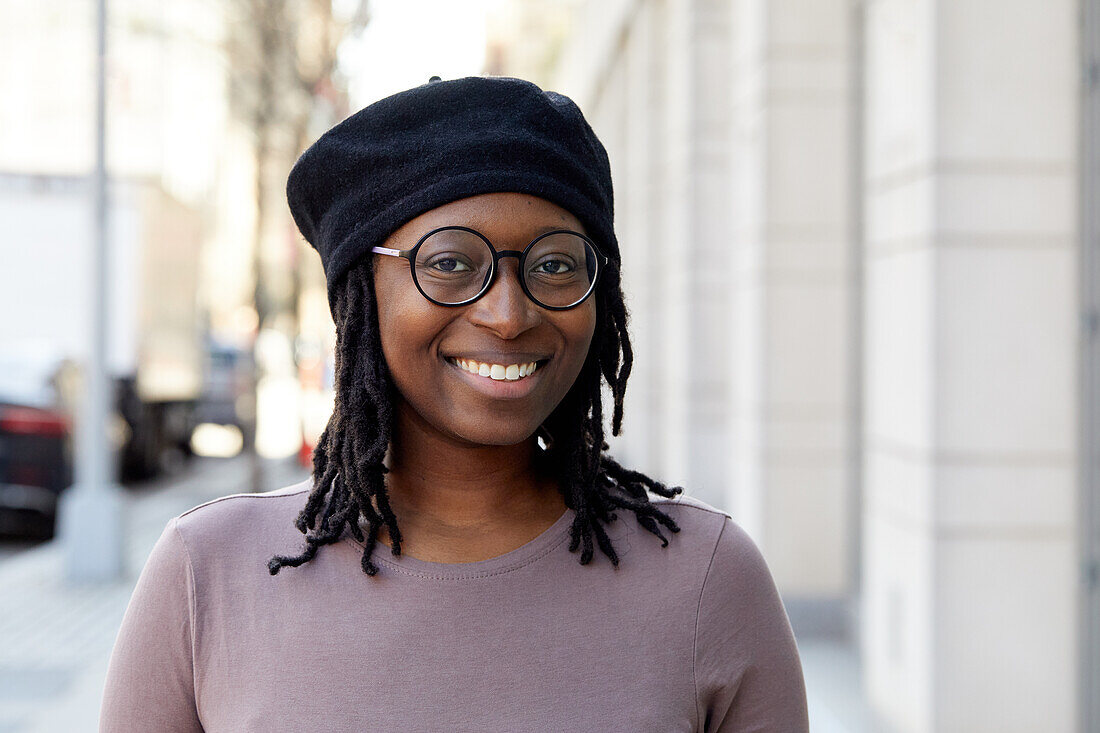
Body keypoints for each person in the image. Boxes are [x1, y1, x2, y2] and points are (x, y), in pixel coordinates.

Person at [99, 75, 809, 732]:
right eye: (450, 263)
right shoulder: (208, 574)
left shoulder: (707, 582)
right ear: (361, 293)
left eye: (556, 264)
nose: (508, 313)